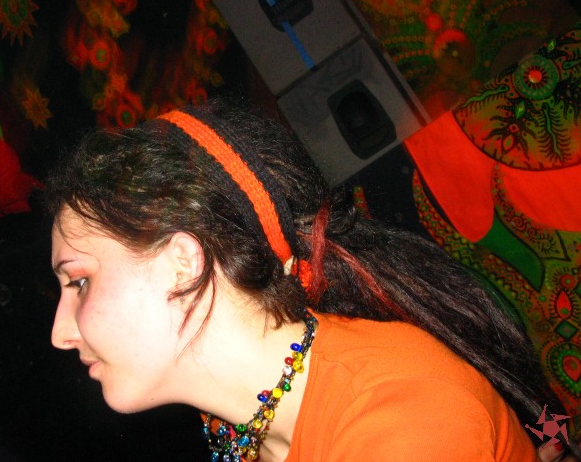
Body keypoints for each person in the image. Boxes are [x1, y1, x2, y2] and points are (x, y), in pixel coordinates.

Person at [47, 99, 577, 461]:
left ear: (182, 263)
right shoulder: (234, 423)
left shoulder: (401, 421)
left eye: (79, 282)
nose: (59, 333)